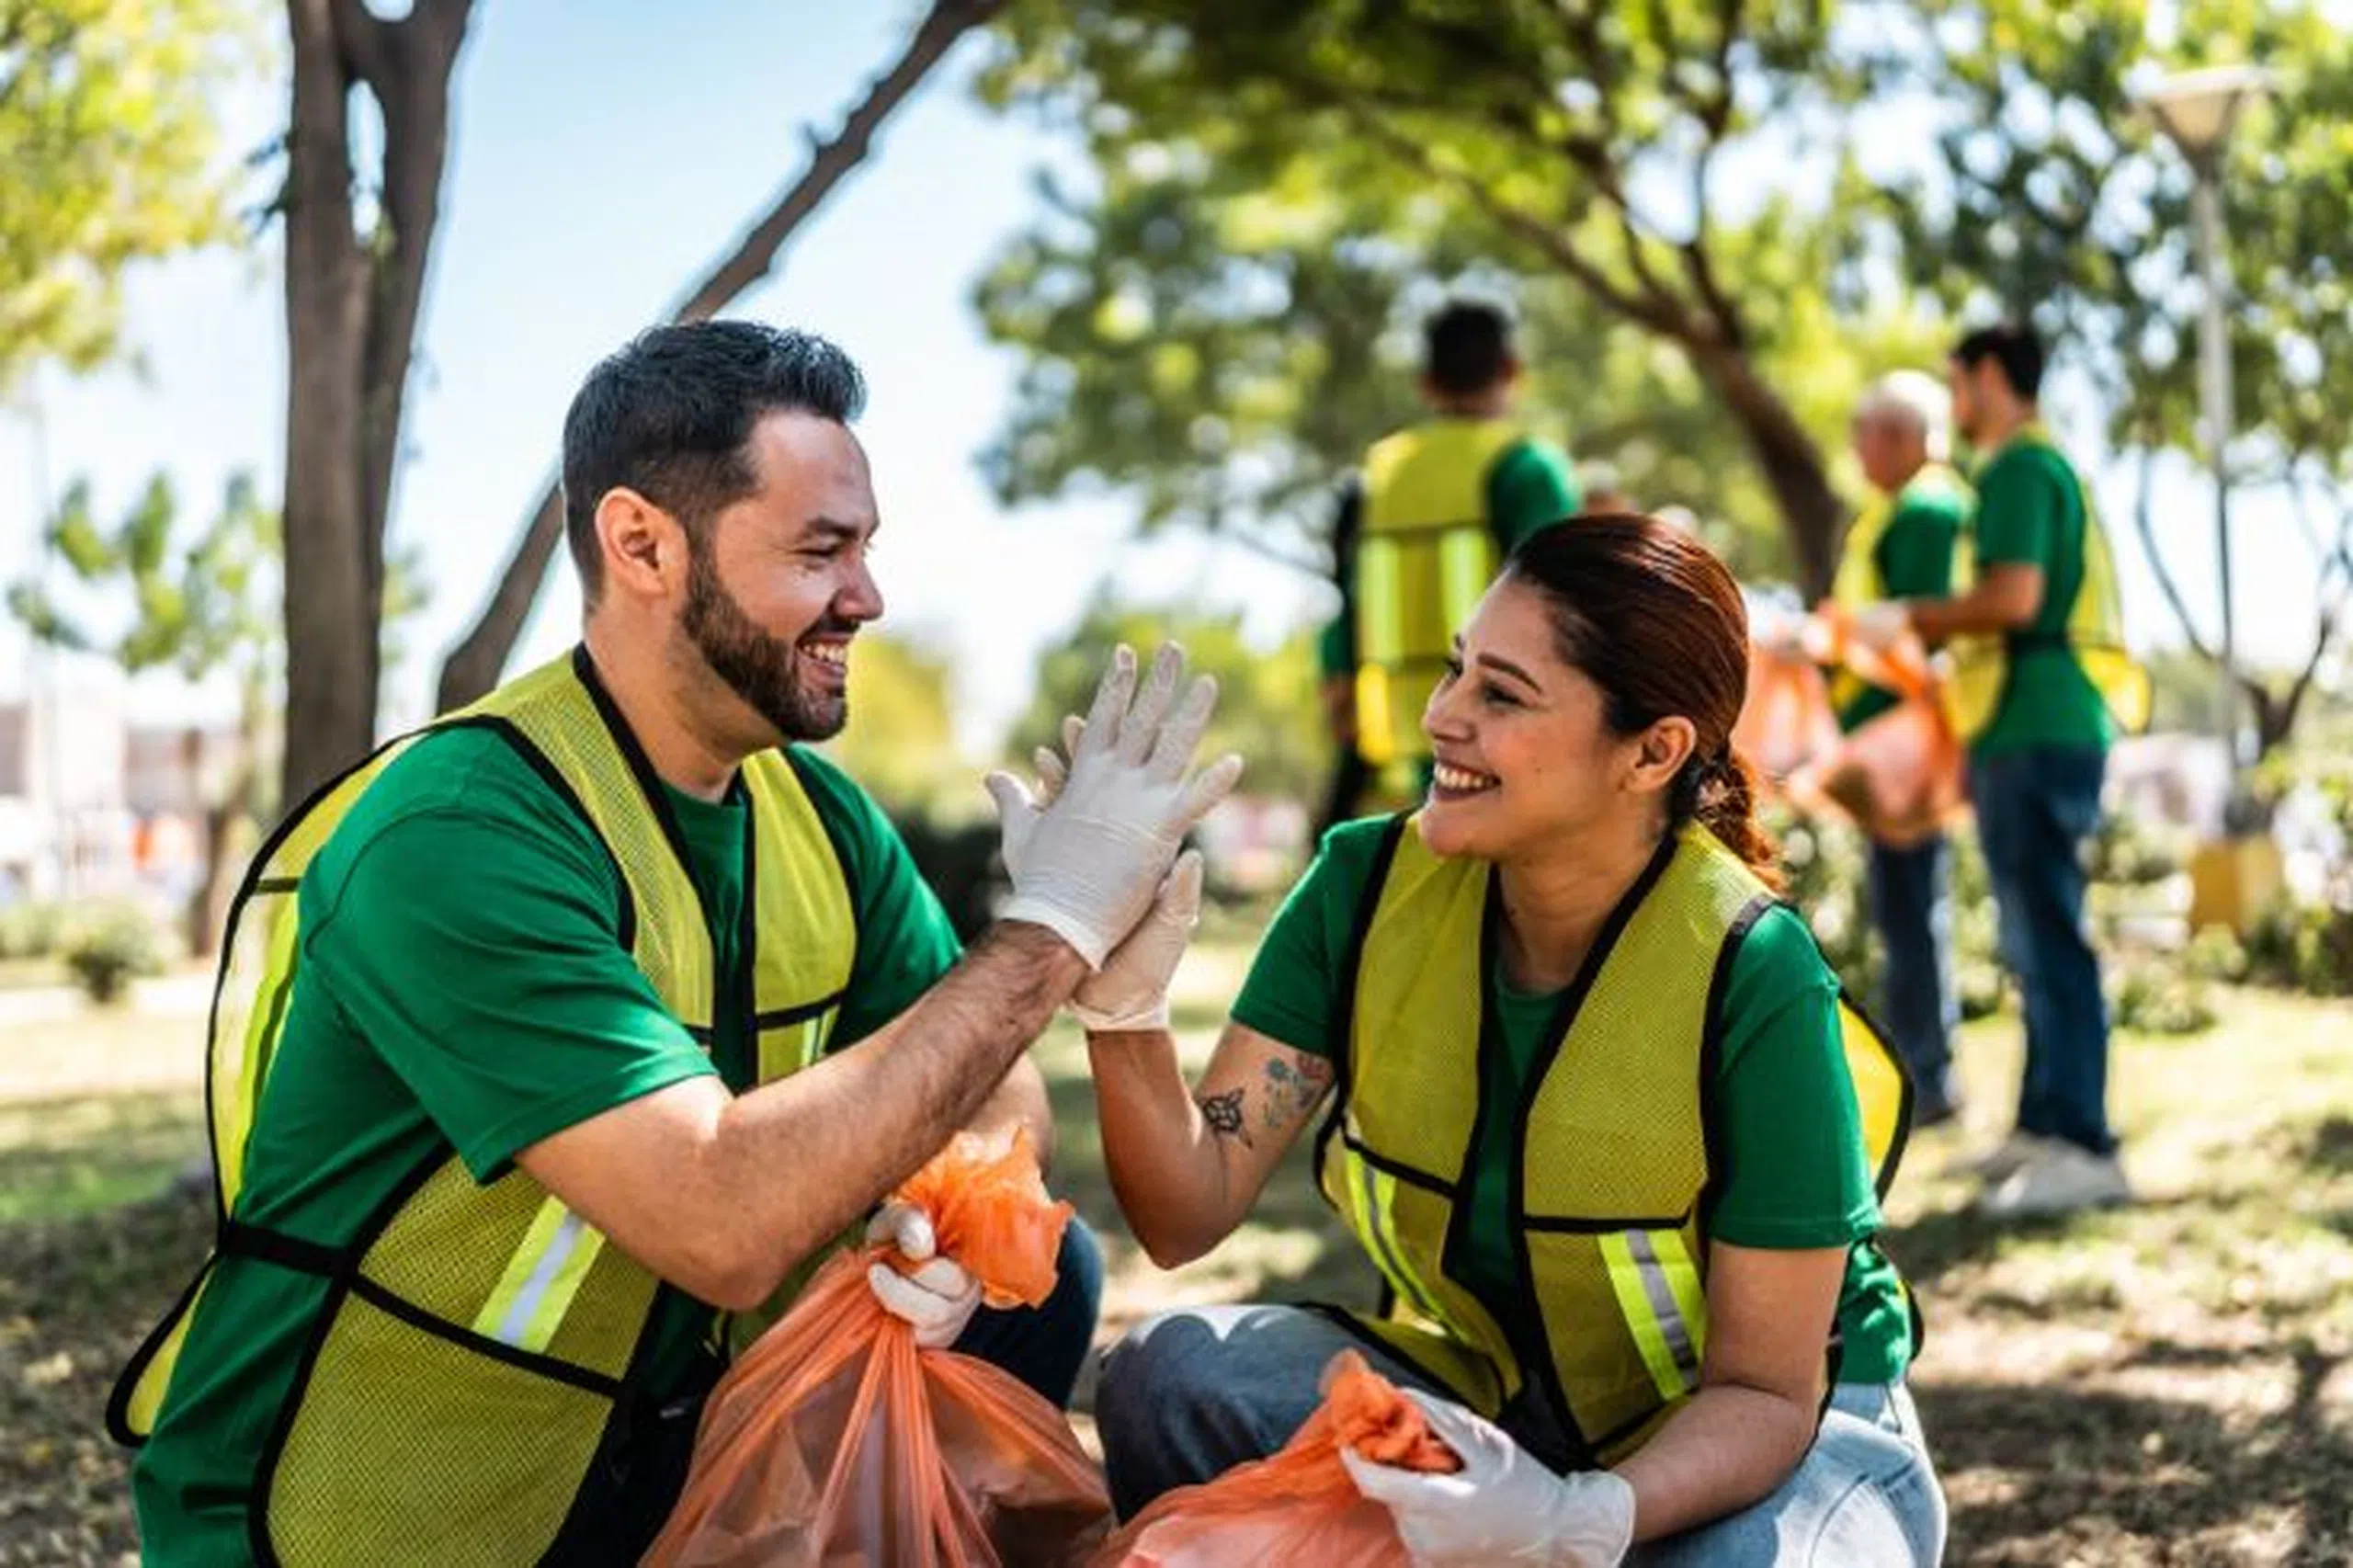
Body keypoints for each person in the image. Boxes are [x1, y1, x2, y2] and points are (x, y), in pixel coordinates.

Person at [111, 321, 1240, 1565]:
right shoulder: (460, 829)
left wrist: (940, 1207)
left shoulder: (819, 819)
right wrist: (1051, 932)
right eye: (820, 551)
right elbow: (721, 1220)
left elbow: (999, 1094)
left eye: (865, 549)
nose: (866, 597)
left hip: (659, 1462)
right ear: (642, 544)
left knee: (1040, 1268)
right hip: (380, 1516)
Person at [1074, 516, 1943, 1564]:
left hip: (1774, 1438)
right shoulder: (1362, 888)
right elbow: (1185, 1210)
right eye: (1457, 670)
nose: (1441, 716)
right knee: (1169, 1379)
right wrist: (1123, 1012)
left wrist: (1580, 1519)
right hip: (1506, 1410)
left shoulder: (1752, 967)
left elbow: (1764, 1394)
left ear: (1653, 751)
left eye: (1502, 694)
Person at [1856, 322, 2147, 1219]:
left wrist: (1911, 616)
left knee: (2048, 933)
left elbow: (2013, 598)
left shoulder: (2019, 467)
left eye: (1956, 383)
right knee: (2030, 935)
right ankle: (2044, 1124)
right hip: (2023, 722)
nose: (1953, 403)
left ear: (1988, 376)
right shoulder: (2023, 466)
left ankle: (2085, 1143)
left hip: (2038, 723)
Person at [1334, 298, 1580, 816]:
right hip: (1500, 723)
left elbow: (1348, 596)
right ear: (1512, 370)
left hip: (1394, 722)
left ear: (1426, 382)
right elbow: (1567, 600)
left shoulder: (1379, 473)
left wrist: (1337, 680)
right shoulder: (1527, 468)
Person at [1824, 371, 1971, 1126]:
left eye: (1865, 433)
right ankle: (1922, 1066)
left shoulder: (1925, 510)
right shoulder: (1900, 510)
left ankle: (1926, 1073)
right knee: (1905, 902)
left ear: (1902, 436)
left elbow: (1912, 632)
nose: (1857, 448)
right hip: (1892, 733)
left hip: (1904, 737)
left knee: (1909, 903)